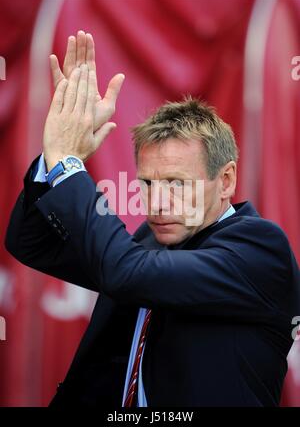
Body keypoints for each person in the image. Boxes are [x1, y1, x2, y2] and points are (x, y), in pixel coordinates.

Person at [5, 31, 300, 407]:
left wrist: (69, 164)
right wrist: (52, 158)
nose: (157, 202)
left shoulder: (260, 248)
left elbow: (127, 271)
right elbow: (30, 242)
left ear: (225, 180)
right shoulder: (152, 239)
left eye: (177, 183)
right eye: (147, 182)